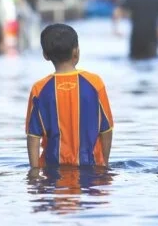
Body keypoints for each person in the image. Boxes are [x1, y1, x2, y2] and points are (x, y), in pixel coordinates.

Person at [26, 24, 114, 168]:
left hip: (53, 168)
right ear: (76, 52)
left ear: (45, 55)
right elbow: (106, 129)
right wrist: (104, 164)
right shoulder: (95, 83)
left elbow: (33, 136)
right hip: (91, 168)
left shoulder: (39, 89)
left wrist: (34, 172)